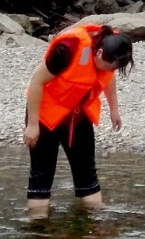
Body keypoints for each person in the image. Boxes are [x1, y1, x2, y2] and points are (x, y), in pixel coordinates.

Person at [23, 22, 132, 217]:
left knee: (87, 173)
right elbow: (36, 82)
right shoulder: (68, 49)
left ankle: (93, 227)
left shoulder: (113, 47)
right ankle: (38, 231)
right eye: (110, 66)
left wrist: (114, 109)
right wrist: (32, 125)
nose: (110, 71)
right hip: (46, 115)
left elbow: (108, 77)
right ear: (98, 53)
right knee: (41, 174)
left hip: (77, 117)